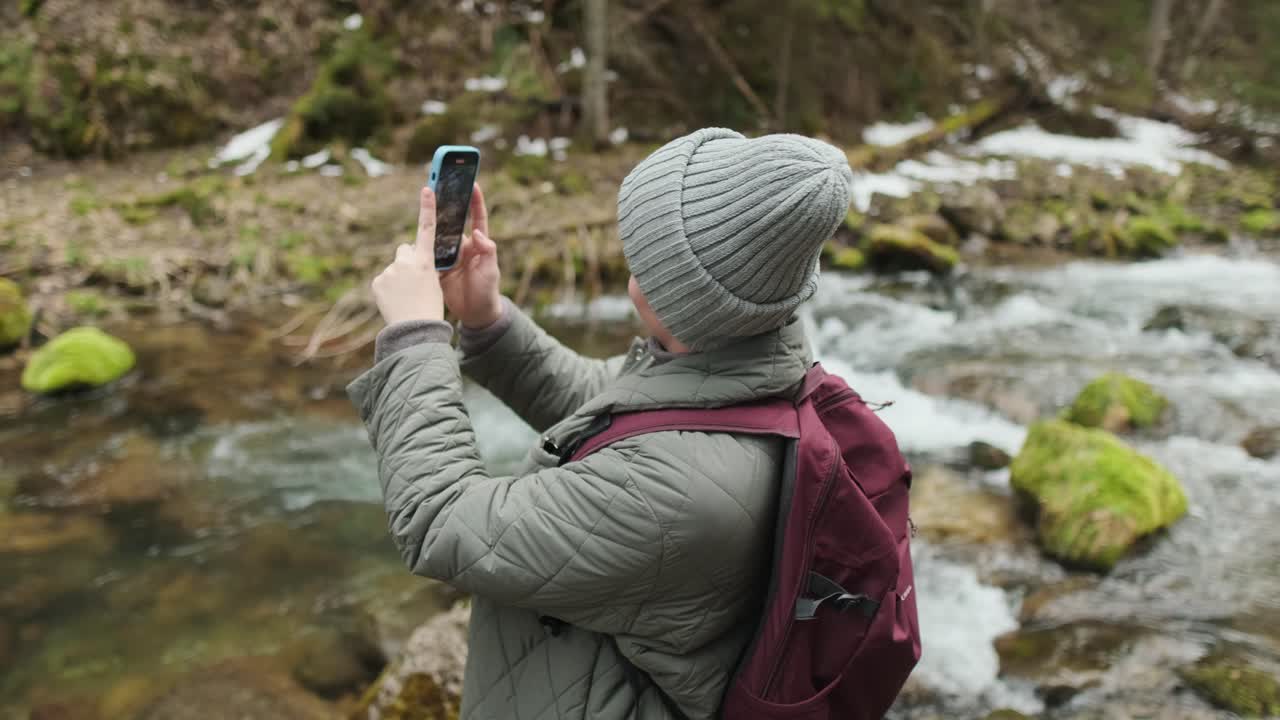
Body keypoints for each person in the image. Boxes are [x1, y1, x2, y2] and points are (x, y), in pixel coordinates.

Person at [349, 127, 856, 720]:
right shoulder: (753, 361)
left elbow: (441, 520)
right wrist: (487, 320)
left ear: (678, 293)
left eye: (641, 247)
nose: (625, 251)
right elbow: (616, 408)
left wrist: (415, 338)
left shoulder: (671, 492)